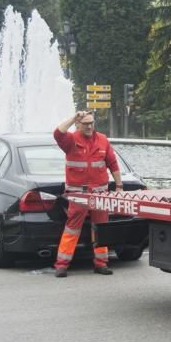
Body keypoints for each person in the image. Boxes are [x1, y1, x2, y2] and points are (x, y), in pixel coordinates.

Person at [53, 110, 122, 277]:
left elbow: (112, 163)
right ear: (78, 125)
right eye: (85, 124)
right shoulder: (70, 141)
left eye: (91, 123)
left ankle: (101, 263)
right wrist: (73, 117)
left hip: (100, 194)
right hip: (78, 195)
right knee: (72, 229)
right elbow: (57, 133)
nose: (90, 126)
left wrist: (119, 185)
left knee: (101, 229)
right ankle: (61, 265)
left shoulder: (103, 140)